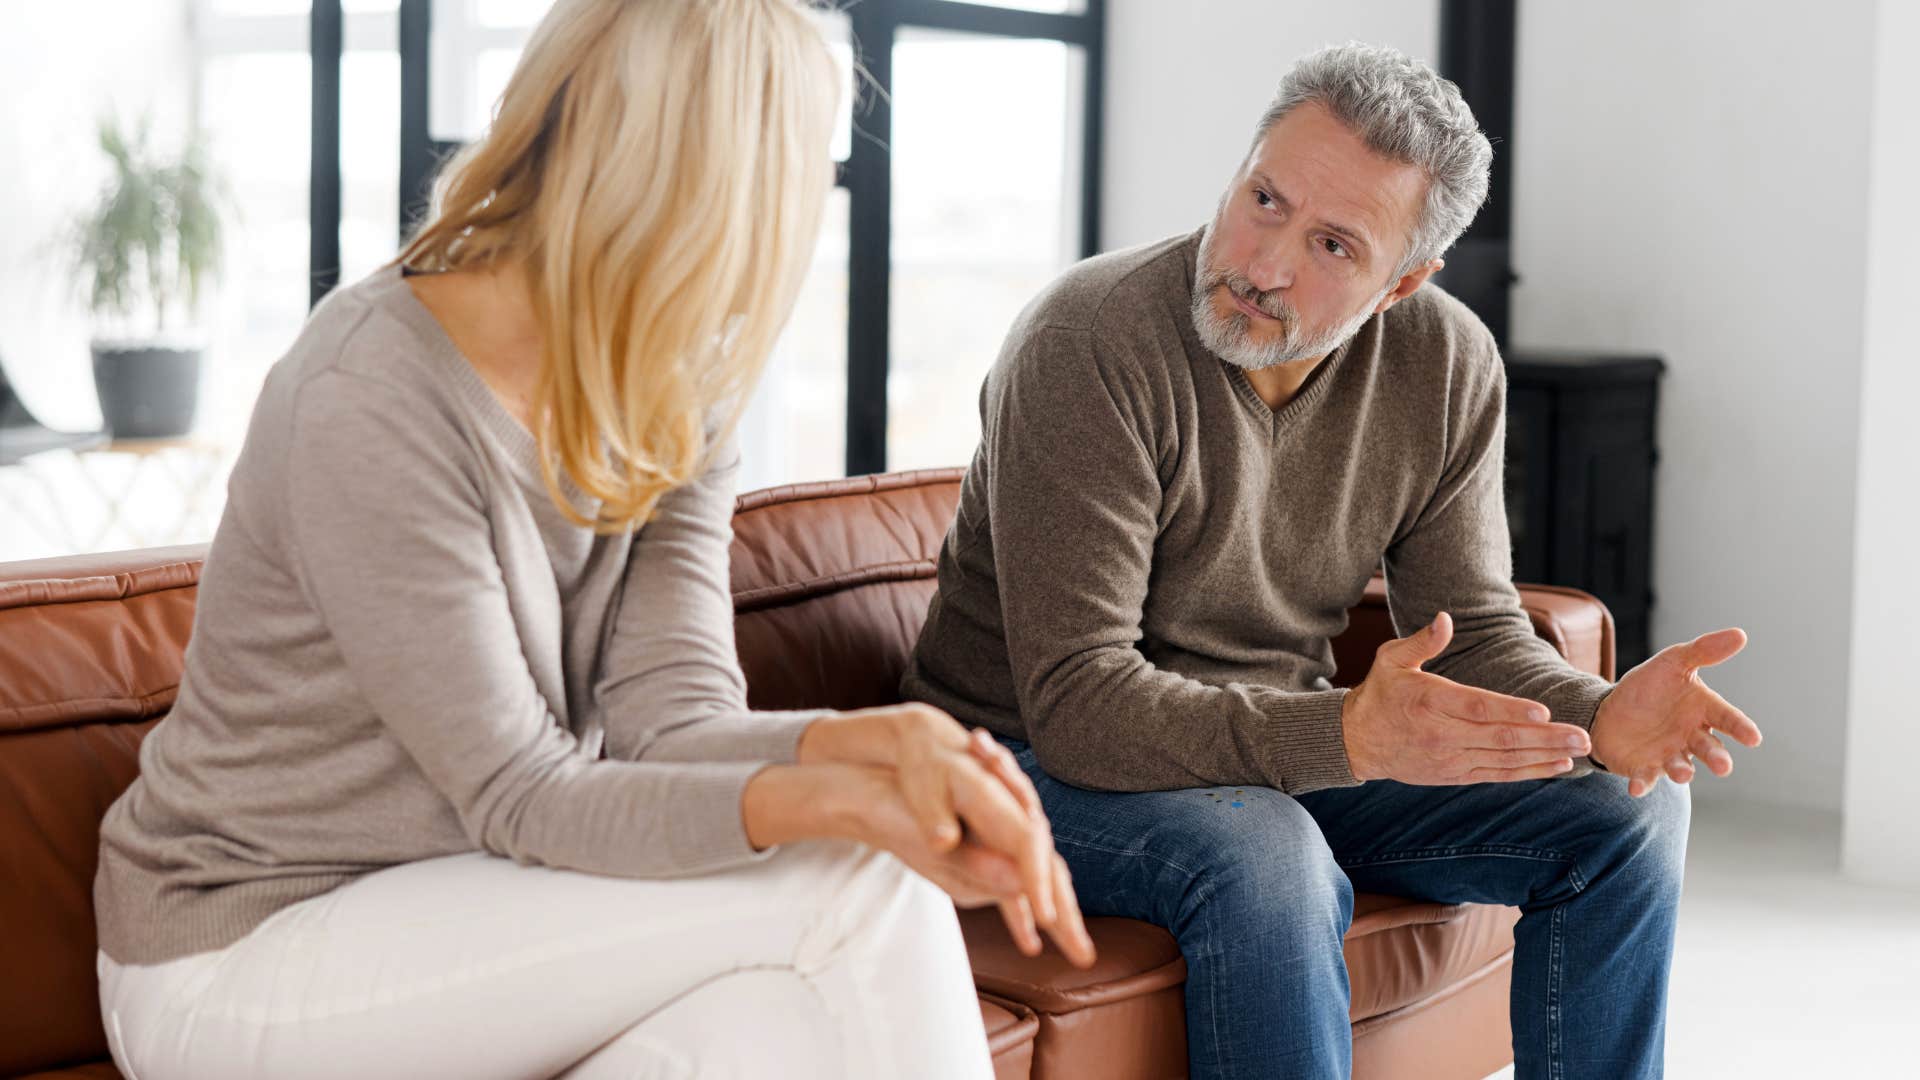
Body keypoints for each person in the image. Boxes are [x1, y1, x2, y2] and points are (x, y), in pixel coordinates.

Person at [92, 3, 1093, 1078]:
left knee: (776, 1027)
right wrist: (843, 801)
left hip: (467, 906)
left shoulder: (675, 381)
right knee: (858, 882)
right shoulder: (369, 393)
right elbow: (525, 792)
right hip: (238, 952)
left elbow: (674, 720)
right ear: (702, 187)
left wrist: (885, 744)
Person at [900, 41, 1762, 1080]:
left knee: (1628, 808)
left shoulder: (1444, 363)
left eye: (1334, 247)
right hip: (1025, 760)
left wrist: (1595, 714)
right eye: (1263, 198)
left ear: (1404, 282)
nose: (1265, 265)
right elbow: (1079, 703)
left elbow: (1476, 633)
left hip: (1271, 749)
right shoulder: (1090, 341)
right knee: (1266, 848)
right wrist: (1341, 735)